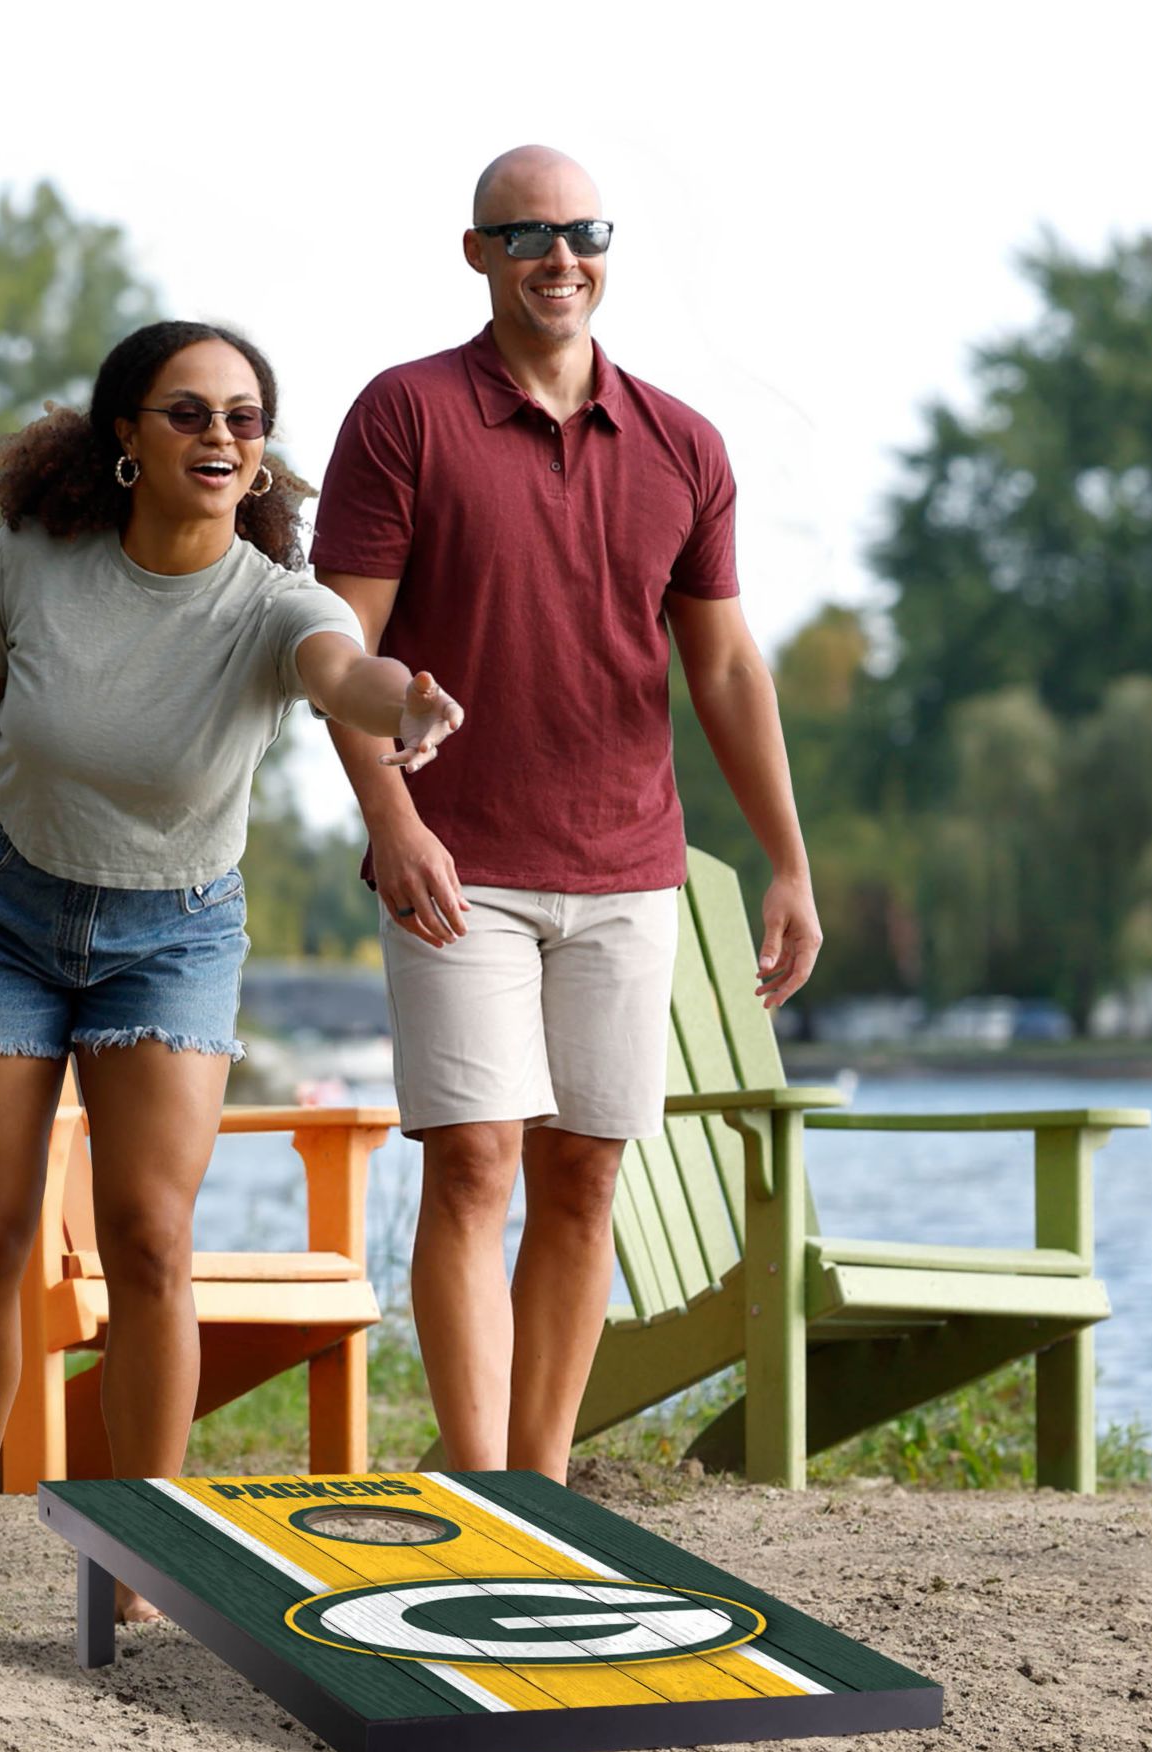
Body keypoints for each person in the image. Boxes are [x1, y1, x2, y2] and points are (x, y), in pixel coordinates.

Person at [0, 320, 463, 1620]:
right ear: (127, 440)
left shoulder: (276, 602)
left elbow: (342, 675)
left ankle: (146, 1550)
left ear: (261, 459)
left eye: (244, 420)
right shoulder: (36, 561)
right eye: (188, 413)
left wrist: (402, 707)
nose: (219, 438)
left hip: (174, 936)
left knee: (150, 1238)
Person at [310, 146, 820, 1481]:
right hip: (456, 866)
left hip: (627, 867)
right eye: (525, 233)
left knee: (584, 1176)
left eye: (581, 231)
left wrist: (786, 862)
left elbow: (725, 666)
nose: (558, 256)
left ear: (607, 247)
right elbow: (332, 652)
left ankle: (539, 1485)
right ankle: (479, 1483)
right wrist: (391, 821)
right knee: (476, 1162)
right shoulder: (403, 416)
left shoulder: (682, 443)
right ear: (475, 252)